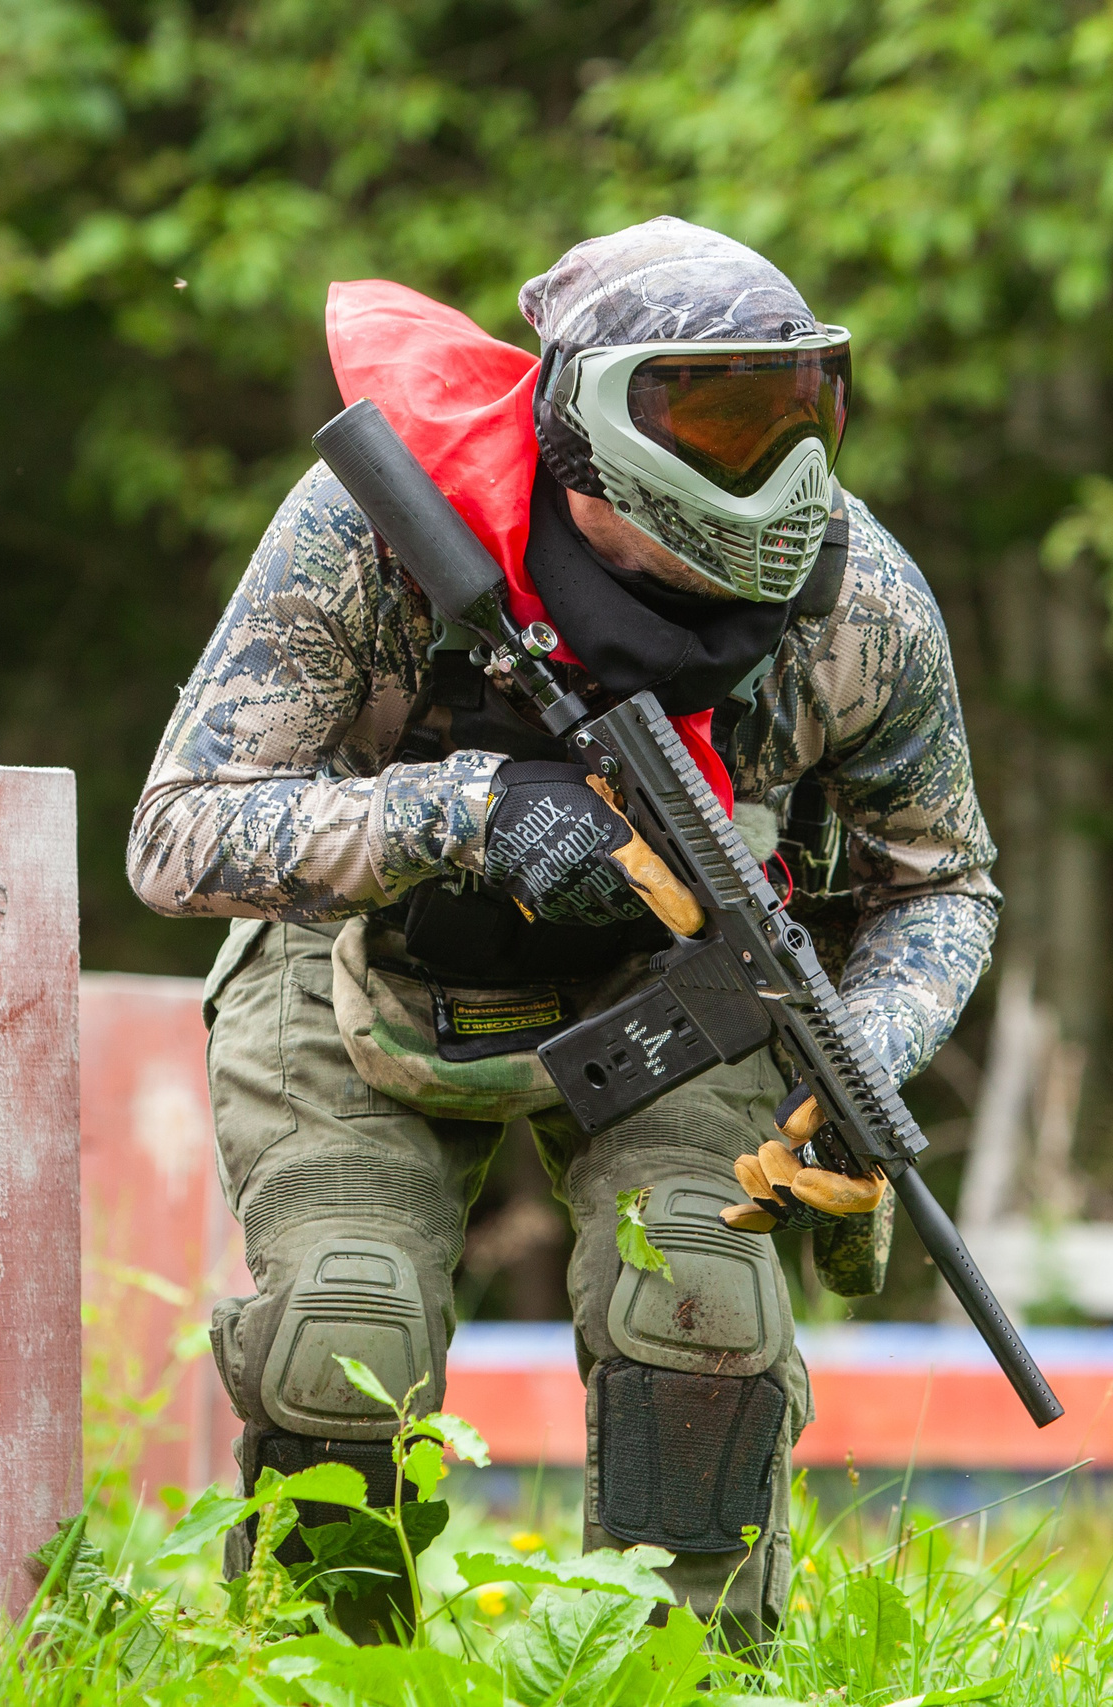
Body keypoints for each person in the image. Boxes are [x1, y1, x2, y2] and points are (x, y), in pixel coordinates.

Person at [127, 216, 998, 1641]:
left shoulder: (862, 600)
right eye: (717, 414)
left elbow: (939, 885)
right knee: (343, 1333)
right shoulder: (381, 521)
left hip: (678, 984)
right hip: (357, 956)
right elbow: (179, 835)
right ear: (593, 418)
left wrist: (861, 1056)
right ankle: (319, 1673)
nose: (774, 465)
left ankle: (680, 1673)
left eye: (802, 408)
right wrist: (463, 814)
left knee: (699, 1322)